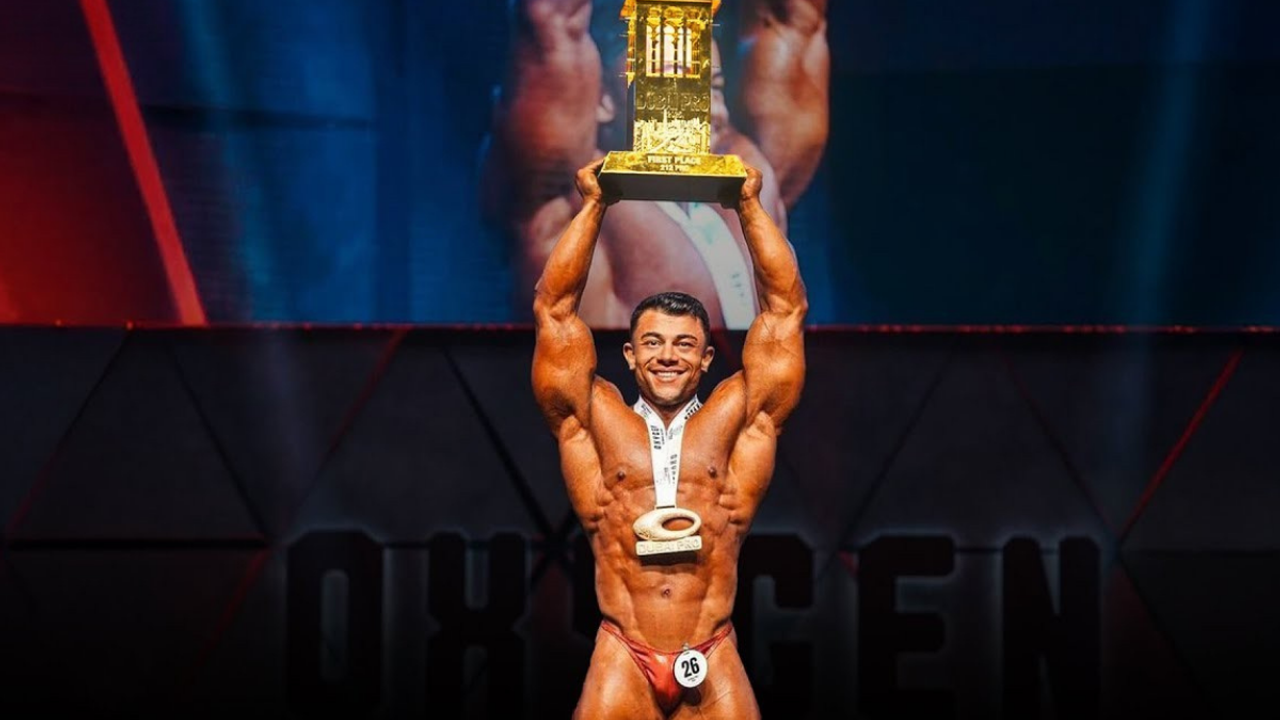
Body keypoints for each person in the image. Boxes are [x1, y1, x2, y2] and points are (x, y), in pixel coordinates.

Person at [531, 157, 807, 718]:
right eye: (652, 343)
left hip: (711, 648)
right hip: (623, 651)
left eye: (684, 345)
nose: (667, 356)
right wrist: (595, 205)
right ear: (630, 355)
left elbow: (786, 312)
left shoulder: (737, 419)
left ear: (705, 359)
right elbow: (553, 312)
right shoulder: (596, 419)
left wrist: (749, 207)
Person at [483, 0, 828, 330]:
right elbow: (550, 19)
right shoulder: (570, 198)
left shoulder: (749, 183)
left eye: (713, 87)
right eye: (674, 80)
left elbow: (793, 19)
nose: (706, 109)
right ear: (602, 97)